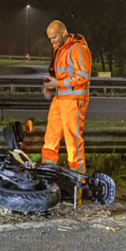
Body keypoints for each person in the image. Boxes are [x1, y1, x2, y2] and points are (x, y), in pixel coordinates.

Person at [41, 20, 92, 175]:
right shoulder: (60, 47)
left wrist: (59, 83)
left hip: (73, 100)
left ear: (63, 33)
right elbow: (59, 73)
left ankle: (78, 179)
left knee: (72, 140)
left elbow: (83, 76)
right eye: (50, 38)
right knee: (51, 136)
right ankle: (48, 173)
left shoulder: (78, 49)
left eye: (54, 37)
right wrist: (49, 85)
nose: (52, 41)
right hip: (60, 98)